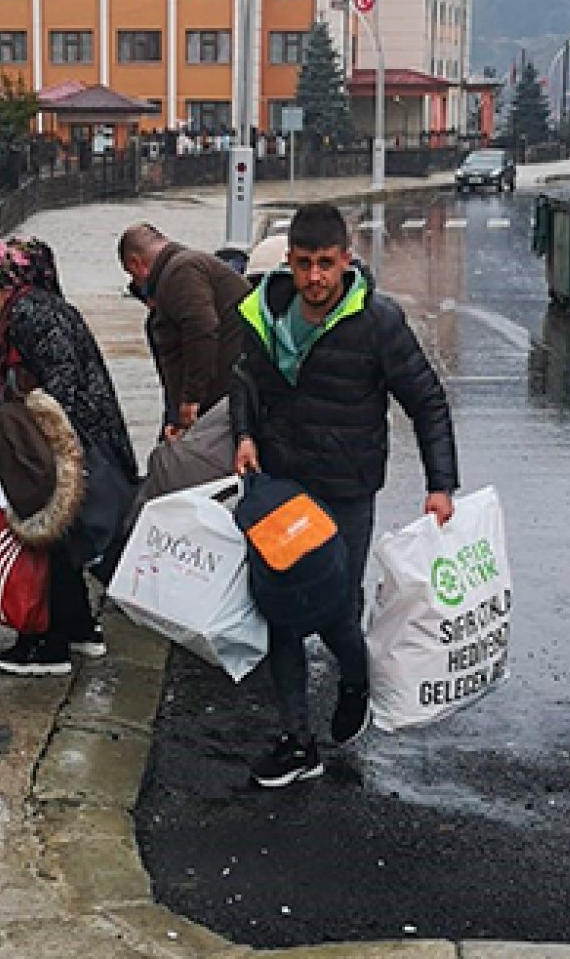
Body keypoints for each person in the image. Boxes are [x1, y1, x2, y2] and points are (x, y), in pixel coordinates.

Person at [230, 202, 459, 787]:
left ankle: (353, 676)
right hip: (283, 486)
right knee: (279, 608)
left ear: (346, 260)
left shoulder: (377, 322)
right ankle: (296, 740)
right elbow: (244, 383)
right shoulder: (264, 313)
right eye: (303, 264)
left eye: (325, 264)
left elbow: (427, 401)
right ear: (289, 262)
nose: (314, 278)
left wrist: (441, 485)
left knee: (334, 611)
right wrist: (246, 435)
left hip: (348, 488)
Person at [0, 237, 141, 677]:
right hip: (81, 441)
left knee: (45, 535)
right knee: (62, 541)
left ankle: (46, 645)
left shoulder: (31, 314)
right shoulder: (42, 307)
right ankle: (79, 629)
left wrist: (41, 445)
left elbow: (62, 382)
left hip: (70, 446)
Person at [116, 223, 251, 441]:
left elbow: (202, 330)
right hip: (223, 395)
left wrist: (191, 400)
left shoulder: (182, 270)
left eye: (132, 275)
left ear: (137, 263)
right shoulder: (185, 268)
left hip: (220, 400)